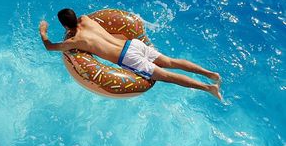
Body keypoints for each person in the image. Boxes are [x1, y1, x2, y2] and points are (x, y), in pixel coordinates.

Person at [39, 8, 222, 100]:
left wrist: (43, 31)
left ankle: (208, 88)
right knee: (170, 61)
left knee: (167, 76)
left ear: (64, 26)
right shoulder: (87, 19)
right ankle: (210, 74)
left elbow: (50, 47)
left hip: (127, 58)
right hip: (133, 45)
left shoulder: (76, 41)